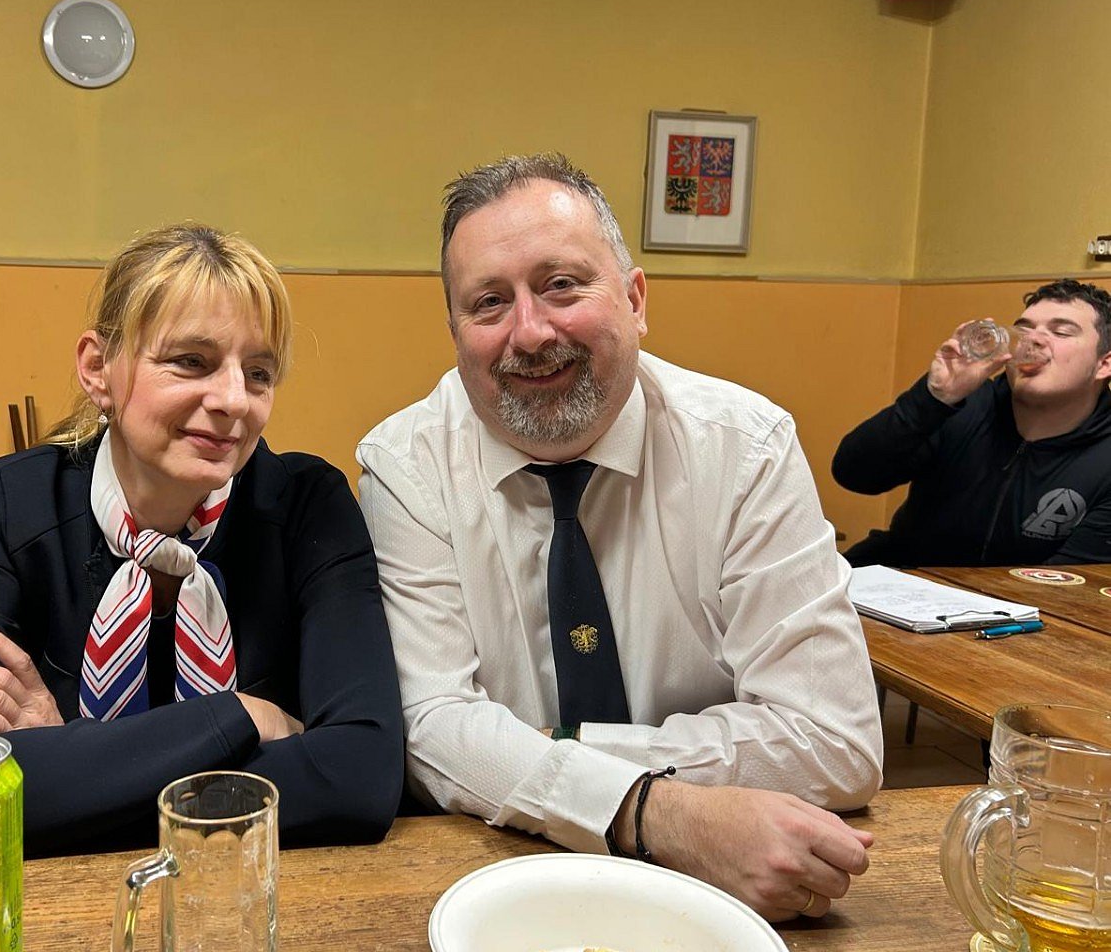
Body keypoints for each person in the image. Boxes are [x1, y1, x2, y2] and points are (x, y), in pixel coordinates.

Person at [356, 153, 883, 922]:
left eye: (562, 285)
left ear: (635, 300)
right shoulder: (406, 464)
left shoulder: (747, 446)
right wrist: (654, 813)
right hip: (497, 880)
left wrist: (547, 750)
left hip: (729, 890)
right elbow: (431, 728)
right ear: (456, 333)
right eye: (489, 303)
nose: (530, 332)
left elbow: (835, 741)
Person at [0, 224, 404, 856]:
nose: (234, 400)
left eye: (258, 372)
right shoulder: (9, 505)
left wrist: (67, 764)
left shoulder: (310, 506)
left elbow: (358, 779)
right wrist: (244, 717)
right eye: (191, 361)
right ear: (98, 369)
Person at [834, 279, 1111, 567]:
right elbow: (853, 474)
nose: (1032, 340)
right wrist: (933, 398)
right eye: (1024, 329)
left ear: (1104, 364)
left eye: (1061, 332)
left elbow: (1065, 581)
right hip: (893, 575)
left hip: (1009, 595)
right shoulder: (963, 404)